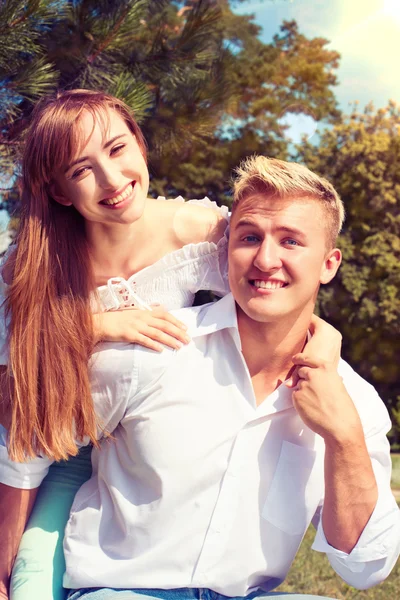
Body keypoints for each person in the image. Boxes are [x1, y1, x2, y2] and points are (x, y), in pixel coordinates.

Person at [1, 156, 399, 600]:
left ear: (328, 264)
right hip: (123, 591)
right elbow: (28, 441)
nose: (266, 259)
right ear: (227, 251)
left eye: (291, 241)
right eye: (250, 237)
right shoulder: (152, 347)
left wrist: (342, 433)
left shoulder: (353, 402)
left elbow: (367, 566)